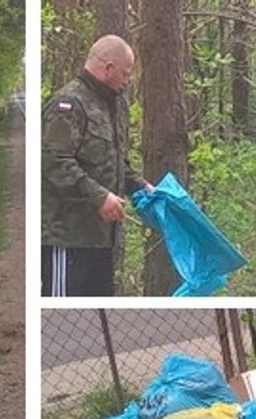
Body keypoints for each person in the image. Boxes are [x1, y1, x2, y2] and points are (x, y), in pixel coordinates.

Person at [42, 34, 151, 297]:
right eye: (125, 73)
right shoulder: (68, 104)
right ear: (108, 68)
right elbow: (53, 160)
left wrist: (140, 186)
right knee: (62, 308)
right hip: (67, 235)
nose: (127, 80)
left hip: (100, 238)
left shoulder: (111, 105)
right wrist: (100, 197)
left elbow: (113, 162)